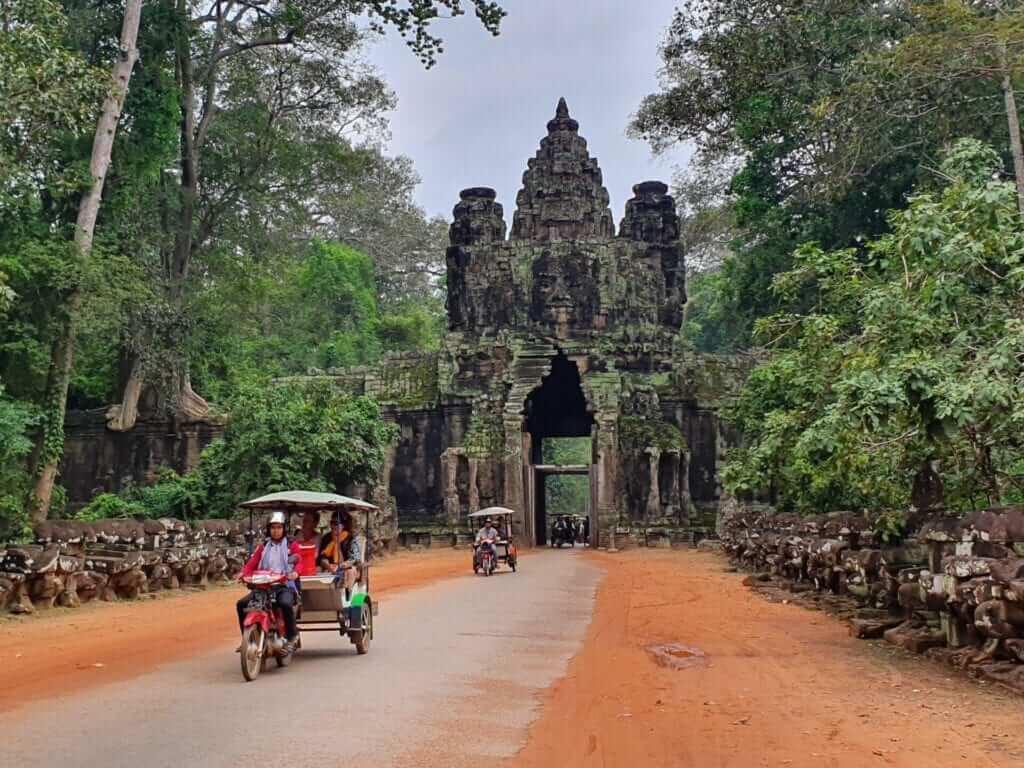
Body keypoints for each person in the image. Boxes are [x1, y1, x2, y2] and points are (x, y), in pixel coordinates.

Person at [236, 511, 300, 652]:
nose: (276, 531)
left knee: (285, 603)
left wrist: (294, 573)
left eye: (279, 527)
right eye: (273, 528)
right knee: (241, 604)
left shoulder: (291, 545)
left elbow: (298, 562)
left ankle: (292, 636)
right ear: (268, 529)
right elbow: (252, 563)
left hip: (284, 586)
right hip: (264, 587)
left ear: (284, 529)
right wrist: (243, 573)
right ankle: (246, 640)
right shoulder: (264, 546)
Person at [318, 510, 362, 591]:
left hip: (346, 567)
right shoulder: (326, 538)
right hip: (329, 567)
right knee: (316, 570)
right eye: (332, 523)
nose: (333, 526)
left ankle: (346, 596)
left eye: (336, 523)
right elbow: (322, 557)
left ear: (344, 525)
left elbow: (354, 559)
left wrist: (339, 566)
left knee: (350, 571)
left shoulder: (350, 539)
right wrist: (329, 566)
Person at [293, 510, 321, 578]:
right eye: (304, 520)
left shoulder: (318, 537)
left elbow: (314, 555)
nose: (304, 522)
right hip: (297, 567)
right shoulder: (299, 535)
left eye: (308, 520)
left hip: (310, 567)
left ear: (315, 523)